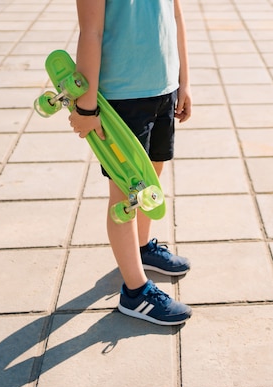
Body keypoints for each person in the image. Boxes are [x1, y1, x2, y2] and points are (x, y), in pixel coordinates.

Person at [68, 0, 192, 326]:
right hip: (123, 100)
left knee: (153, 175)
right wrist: (86, 106)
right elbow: (90, 32)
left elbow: (176, 16)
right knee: (125, 194)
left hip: (163, 89)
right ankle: (135, 293)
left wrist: (184, 82)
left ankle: (142, 247)